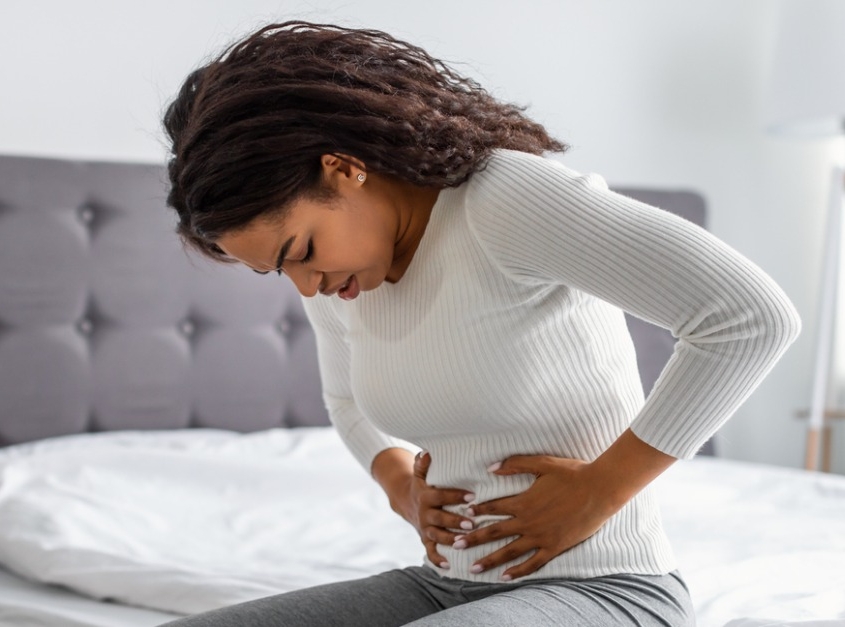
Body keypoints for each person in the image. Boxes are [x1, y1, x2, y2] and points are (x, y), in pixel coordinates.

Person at [159, 21, 800, 627]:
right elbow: (347, 398)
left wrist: (602, 490)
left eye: (300, 252)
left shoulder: (503, 200)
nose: (305, 285)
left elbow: (748, 318)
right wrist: (397, 484)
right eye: (279, 272)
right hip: (447, 588)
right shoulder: (346, 274)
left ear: (345, 169)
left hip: (611, 590)